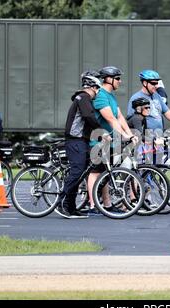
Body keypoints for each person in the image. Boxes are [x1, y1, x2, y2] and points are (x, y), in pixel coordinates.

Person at [88, 65, 138, 215]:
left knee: (105, 172)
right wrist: (125, 135)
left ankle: (107, 204)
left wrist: (130, 134)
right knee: (95, 173)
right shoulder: (101, 95)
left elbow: (120, 116)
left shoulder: (111, 96)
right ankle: (92, 205)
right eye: (117, 78)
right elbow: (110, 118)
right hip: (97, 140)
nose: (120, 81)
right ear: (108, 79)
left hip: (108, 141)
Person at [59, 71, 103, 218]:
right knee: (77, 171)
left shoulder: (83, 99)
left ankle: (71, 207)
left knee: (81, 172)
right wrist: (102, 133)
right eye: (97, 88)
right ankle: (62, 203)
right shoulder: (84, 98)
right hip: (75, 140)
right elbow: (88, 117)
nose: (97, 92)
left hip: (80, 140)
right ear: (90, 87)